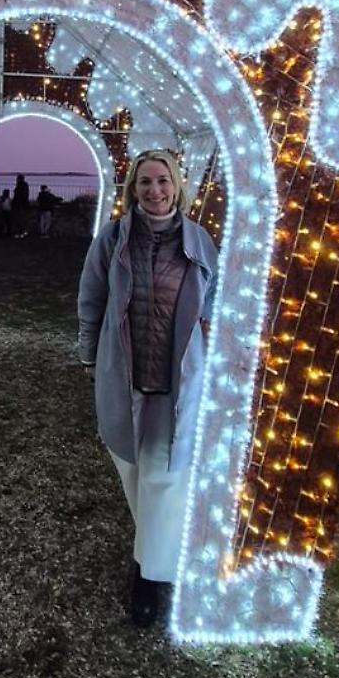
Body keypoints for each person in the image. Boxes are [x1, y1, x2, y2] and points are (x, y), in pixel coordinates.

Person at [77, 149, 217, 628]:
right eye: (145, 183)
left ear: (177, 185)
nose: (155, 191)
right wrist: (88, 355)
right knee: (133, 472)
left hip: (176, 384)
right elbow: (91, 298)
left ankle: (147, 577)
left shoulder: (199, 241)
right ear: (132, 189)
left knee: (166, 477)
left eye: (163, 181)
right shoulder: (113, 239)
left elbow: (214, 304)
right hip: (125, 378)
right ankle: (157, 550)